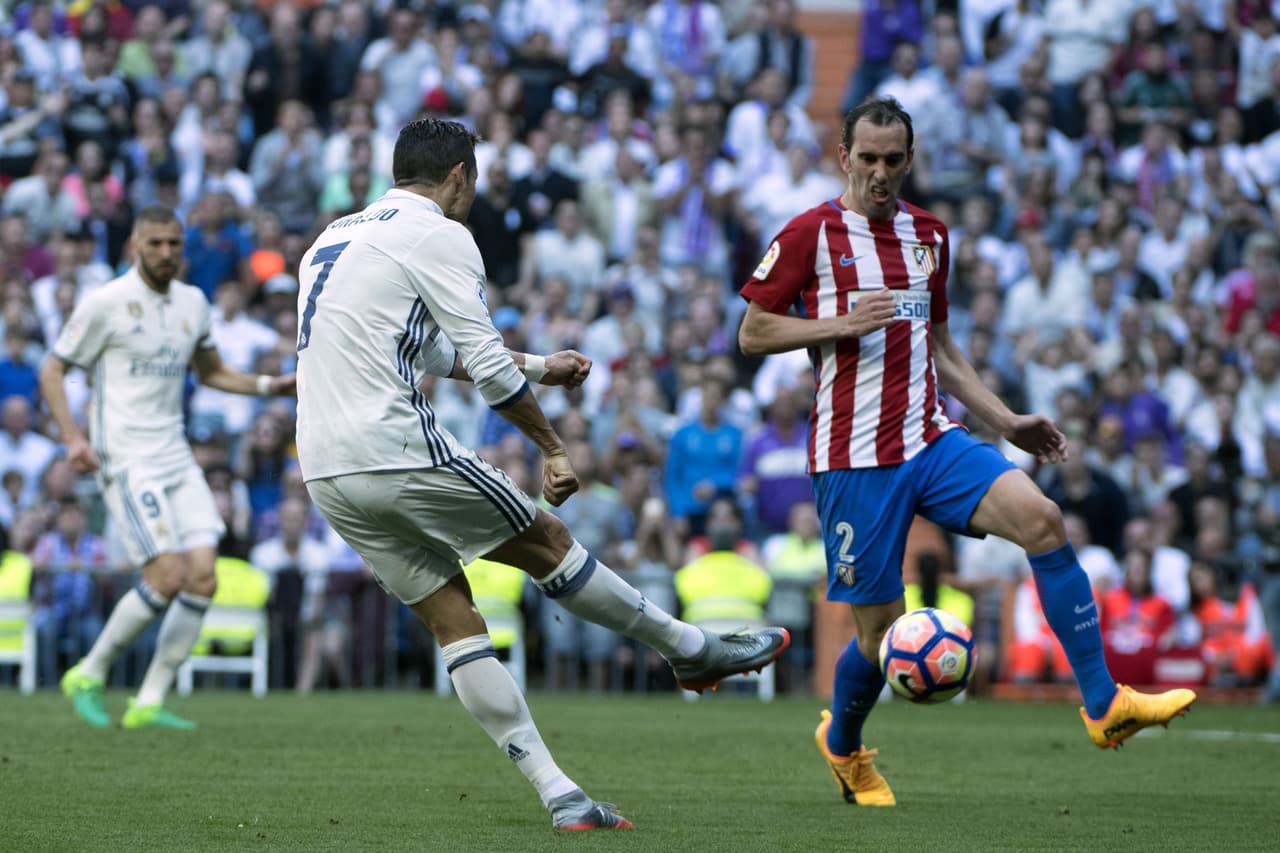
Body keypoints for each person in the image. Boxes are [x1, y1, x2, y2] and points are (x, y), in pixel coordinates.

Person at [292, 118, 788, 831]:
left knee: (454, 617)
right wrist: (554, 446)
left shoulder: (333, 238)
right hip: (395, 445)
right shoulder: (440, 233)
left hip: (327, 471)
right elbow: (483, 366)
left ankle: (560, 793)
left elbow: (427, 348)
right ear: (459, 176)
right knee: (547, 538)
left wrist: (539, 366)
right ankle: (690, 650)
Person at [736, 97, 1196, 807]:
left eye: (894, 159)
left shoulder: (930, 237)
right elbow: (752, 332)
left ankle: (1104, 705)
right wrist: (837, 323)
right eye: (868, 159)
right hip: (853, 459)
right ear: (844, 158)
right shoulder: (809, 235)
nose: (881, 172)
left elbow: (942, 348)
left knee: (1043, 519)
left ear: (910, 160)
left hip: (932, 437)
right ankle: (844, 744)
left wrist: (1006, 420)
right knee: (877, 637)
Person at [39, 205, 297, 730]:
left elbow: (213, 372)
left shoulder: (193, 303)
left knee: (204, 578)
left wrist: (270, 386)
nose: (165, 253)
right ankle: (90, 672)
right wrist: (72, 438)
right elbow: (53, 368)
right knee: (167, 576)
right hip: (127, 457)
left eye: (173, 244)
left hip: (175, 453)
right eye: (154, 243)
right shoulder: (106, 303)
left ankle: (150, 700)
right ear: (134, 244)